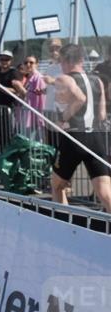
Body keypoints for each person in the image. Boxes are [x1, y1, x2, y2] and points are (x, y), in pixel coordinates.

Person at [49, 44, 111, 211]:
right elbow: (102, 114)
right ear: (82, 60)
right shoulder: (97, 80)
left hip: (73, 137)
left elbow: (80, 98)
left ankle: (62, 223)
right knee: (104, 189)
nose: (61, 65)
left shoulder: (64, 79)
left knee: (57, 185)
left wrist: (62, 118)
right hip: (95, 137)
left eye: (61, 61)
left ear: (66, 60)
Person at [0, 50, 22, 161]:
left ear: (11, 61)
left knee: (8, 135)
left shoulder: (14, 73)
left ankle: (9, 161)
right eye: (2, 59)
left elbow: (16, 91)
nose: (4, 61)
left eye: (7, 59)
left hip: (9, 108)